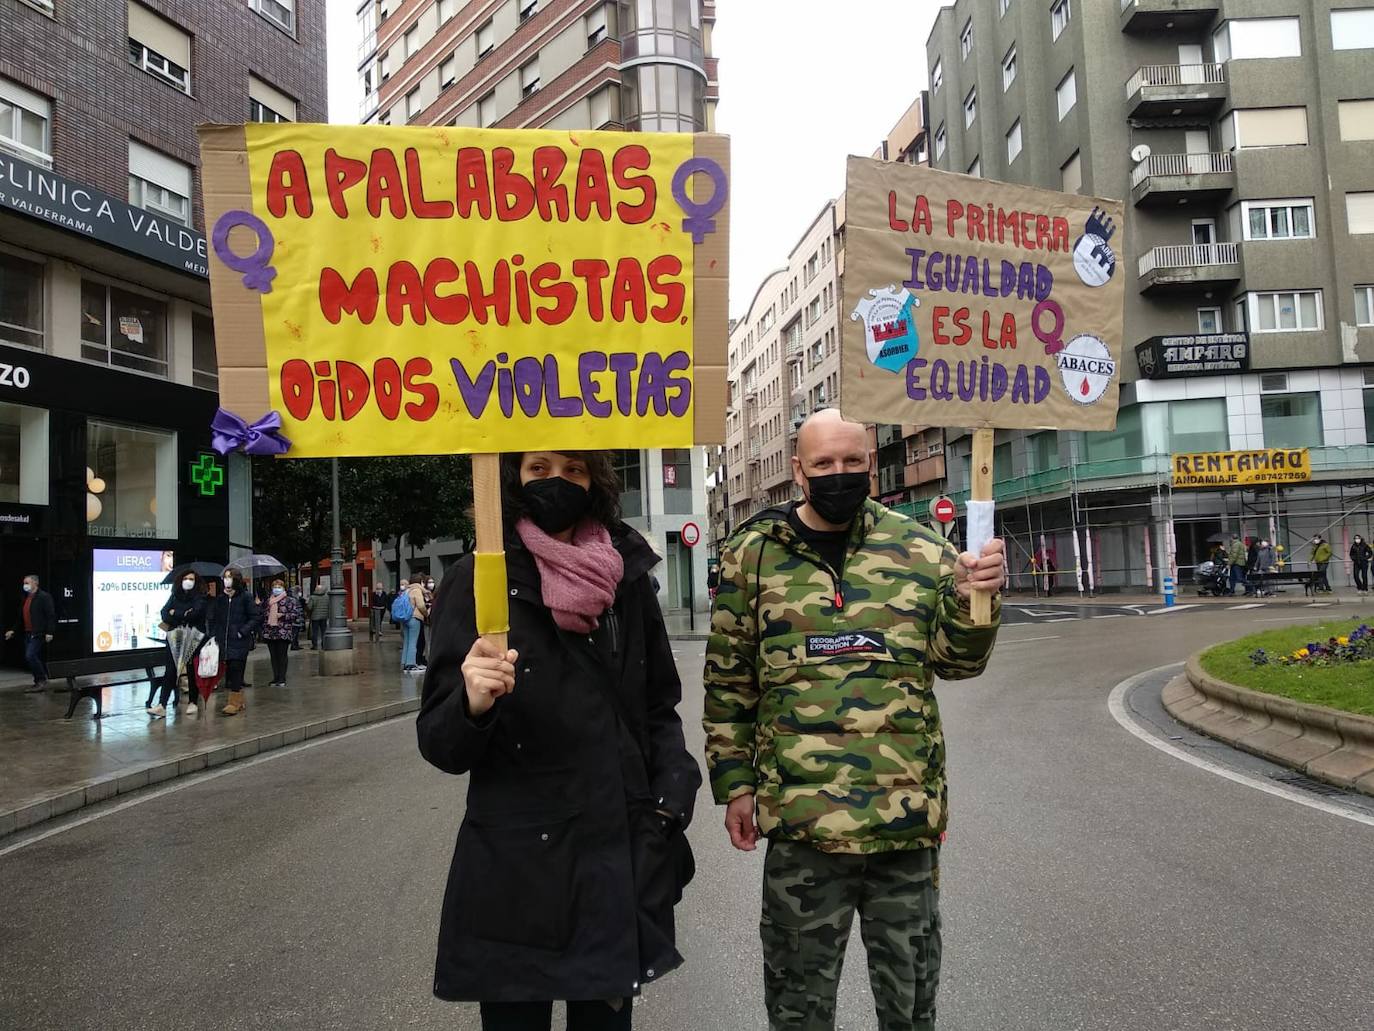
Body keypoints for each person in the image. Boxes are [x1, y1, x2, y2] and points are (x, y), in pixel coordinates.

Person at [703, 410, 1005, 1031]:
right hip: (802, 832)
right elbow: (730, 684)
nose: (838, 474)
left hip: (904, 831)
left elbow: (958, 664)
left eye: (850, 462)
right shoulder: (752, 558)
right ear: (797, 471)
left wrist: (979, 599)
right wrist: (734, 785)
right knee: (797, 1009)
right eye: (822, 464)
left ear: (869, 463)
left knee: (911, 1008)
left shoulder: (922, 550)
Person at [417, 449, 699, 1031]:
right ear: (513, 480)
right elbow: (440, 744)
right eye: (539, 468)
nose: (557, 483)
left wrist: (671, 802)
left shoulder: (626, 577)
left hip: (609, 854)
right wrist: (471, 701)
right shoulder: (477, 580)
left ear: (594, 481)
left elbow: (657, 706)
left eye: (573, 470)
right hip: (517, 865)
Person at [151, 572, 208, 717]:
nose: (188, 581)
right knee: (170, 671)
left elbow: (195, 614)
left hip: (193, 637)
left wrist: (175, 612)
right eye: (185, 579)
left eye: (191, 579)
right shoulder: (175, 595)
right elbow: (164, 613)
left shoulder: (199, 597)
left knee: (191, 671)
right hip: (175, 636)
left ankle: (193, 702)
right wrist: (182, 614)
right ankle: (162, 704)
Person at [207, 568, 261, 715]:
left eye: (229, 577)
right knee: (230, 670)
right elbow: (214, 619)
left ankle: (234, 702)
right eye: (225, 577)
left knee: (237, 669)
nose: (226, 580)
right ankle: (239, 700)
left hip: (239, 640)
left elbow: (255, 617)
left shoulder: (245, 597)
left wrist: (241, 631)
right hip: (223, 640)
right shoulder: (220, 599)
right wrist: (213, 635)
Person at [6, 574, 56, 693]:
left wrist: (49, 632)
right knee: (30, 657)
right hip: (27, 633)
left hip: (38, 633)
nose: (25, 585)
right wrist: (13, 630)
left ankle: (41, 680)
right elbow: (20, 618)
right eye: (24, 583)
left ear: (35, 583)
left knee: (30, 655)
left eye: (27, 583)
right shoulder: (26, 598)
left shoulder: (44, 597)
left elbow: (50, 616)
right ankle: (38, 680)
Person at [261, 577, 301, 687]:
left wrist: (282, 615)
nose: (276, 589)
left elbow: (295, 615)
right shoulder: (268, 601)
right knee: (273, 656)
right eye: (275, 587)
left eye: (279, 587)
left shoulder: (289, 600)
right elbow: (262, 614)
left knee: (282, 655)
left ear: (283, 588)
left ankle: (282, 678)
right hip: (270, 632)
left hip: (283, 631)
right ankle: (275, 677)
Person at [400, 574, 429, 673]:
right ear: (420, 582)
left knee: (407, 641)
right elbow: (420, 605)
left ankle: (404, 662)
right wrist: (426, 613)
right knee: (413, 642)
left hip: (405, 618)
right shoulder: (417, 590)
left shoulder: (407, 590)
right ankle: (411, 664)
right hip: (414, 618)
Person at [415, 574, 436, 667]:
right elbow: (422, 606)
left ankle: (429, 658)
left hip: (433, 620)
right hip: (426, 620)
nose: (431, 584)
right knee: (427, 640)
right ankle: (427, 658)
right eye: (429, 582)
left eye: (432, 582)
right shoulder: (424, 594)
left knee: (432, 640)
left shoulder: (435, 593)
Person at [308, 582, 330, 648]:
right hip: (324, 616)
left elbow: (309, 607)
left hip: (315, 617)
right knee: (324, 630)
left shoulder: (312, 597)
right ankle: (324, 644)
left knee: (315, 631)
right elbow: (329, 606)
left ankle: (315, 645)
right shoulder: (327, 597)